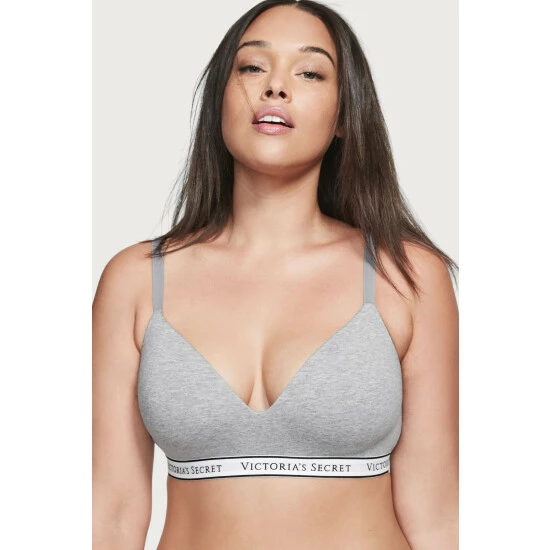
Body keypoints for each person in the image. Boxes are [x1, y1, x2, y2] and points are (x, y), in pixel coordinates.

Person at [92, 0, 459, 548]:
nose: (276, 88)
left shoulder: (406, 276)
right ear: (220, 100)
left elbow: (437, 516)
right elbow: (111, 514)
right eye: (252, 67)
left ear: (344, 116)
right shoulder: (136, 281)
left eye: (309, 73)